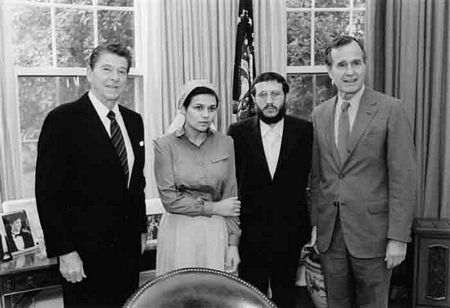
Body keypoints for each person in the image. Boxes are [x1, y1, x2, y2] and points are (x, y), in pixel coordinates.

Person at [35, 43, 147, 307]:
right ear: (89, 73)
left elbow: (136, 182)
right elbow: (48, 193)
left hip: (127, 250)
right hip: (83, 254)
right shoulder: (62, 120)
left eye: (121, 71)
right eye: (107, 69)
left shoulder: (133, 121)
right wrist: (65, 251)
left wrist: (141, 230)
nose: (115, 77)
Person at [310, 35, 416, 307]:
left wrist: (398, 238)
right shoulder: (319, 114)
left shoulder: (390, 109)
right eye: (342, 64)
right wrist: (314, 224)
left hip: (375, 237)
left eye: (356, 63)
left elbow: (403, 178)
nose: (350, 71)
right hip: (330, 237)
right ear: (330, 71)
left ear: (365, 65)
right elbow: (317, 175)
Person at [228, 72, 313, 308]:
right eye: (262, 94)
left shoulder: (305, 131)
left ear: (286, 95)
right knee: (250, 297)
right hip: (250, 232)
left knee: (286, 295)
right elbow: (232, 182)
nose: (269, 100)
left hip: (290, 230)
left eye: (275, 94)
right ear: (253, 98)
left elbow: (315, 181)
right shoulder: (237, 133)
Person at [154, 80, 241, 275]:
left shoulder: (226, 142)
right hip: (178, 230)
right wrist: (215, 207)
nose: (205, 115)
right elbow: (170, 200)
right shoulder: (164, 145)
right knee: (179, 295)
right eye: (198, 107)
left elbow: (231, 197)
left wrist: (233, 244)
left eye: (211, 108)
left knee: (213, 295)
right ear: (183, 109)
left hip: (215, 231)